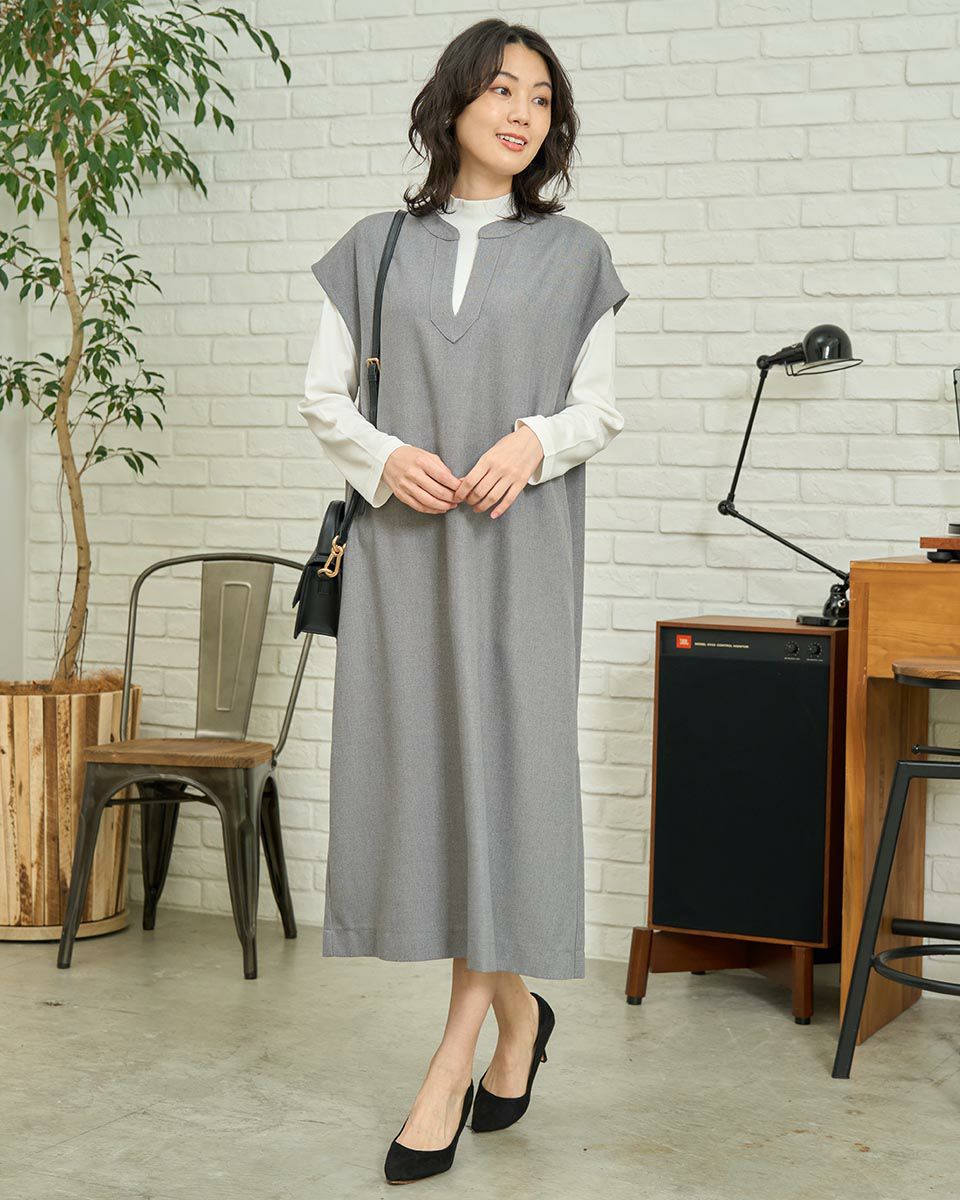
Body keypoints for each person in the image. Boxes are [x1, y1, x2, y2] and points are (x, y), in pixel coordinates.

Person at [298, 18, 628, 1185]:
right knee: (437, 786)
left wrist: (535, 440)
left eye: (542, 98)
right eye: (503, 89)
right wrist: (387, 457)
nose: (524, 112)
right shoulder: (373, 247)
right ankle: (519, 1021)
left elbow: (598, 408)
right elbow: (323, 396)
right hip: (406, 550)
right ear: (454, 103)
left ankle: (450, 1067)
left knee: (509, 787)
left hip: (521, 548)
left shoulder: (576, 254)